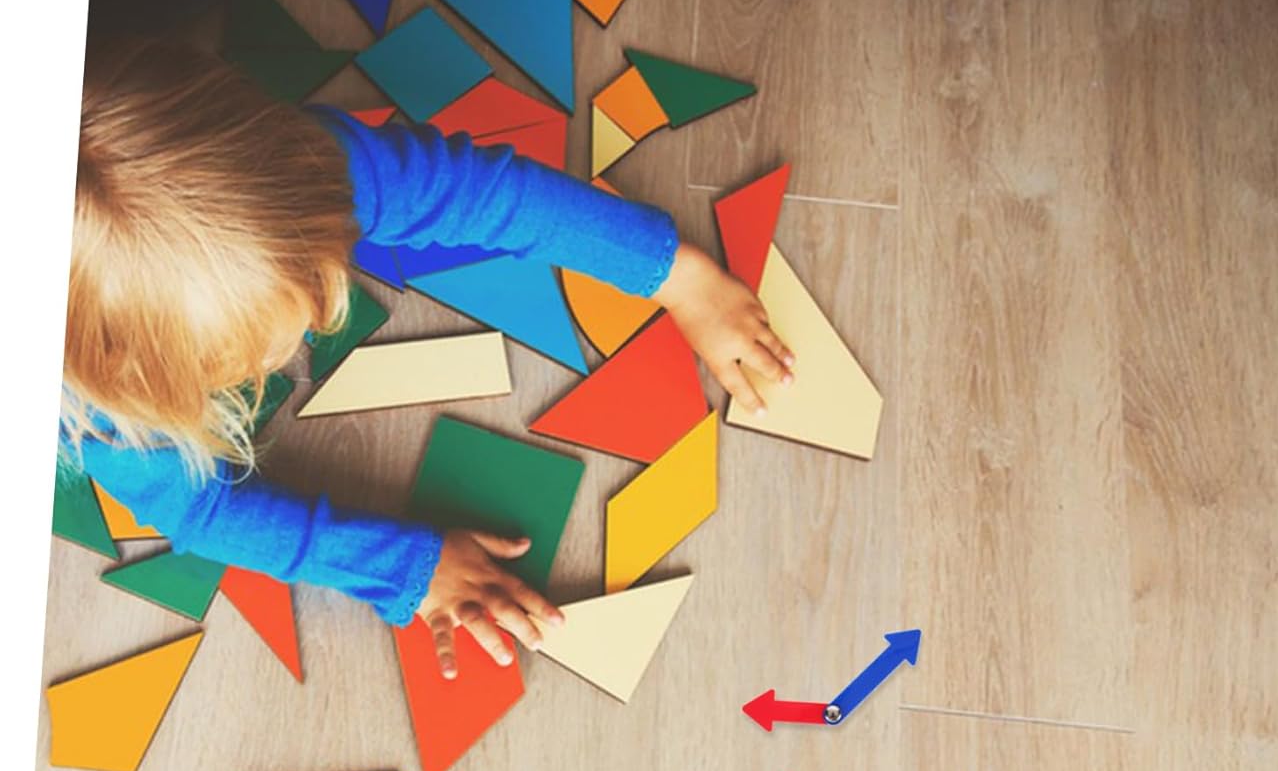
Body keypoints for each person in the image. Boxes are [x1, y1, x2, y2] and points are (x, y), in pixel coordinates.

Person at [65, 35, 794, 679]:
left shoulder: (296, 175)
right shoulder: (101, 417)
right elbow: (200, 510)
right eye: (243, 359)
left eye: (316, 286)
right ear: (130, 380)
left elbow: (487, 197)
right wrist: (402, 570)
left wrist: (677, 275)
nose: (306, 341)